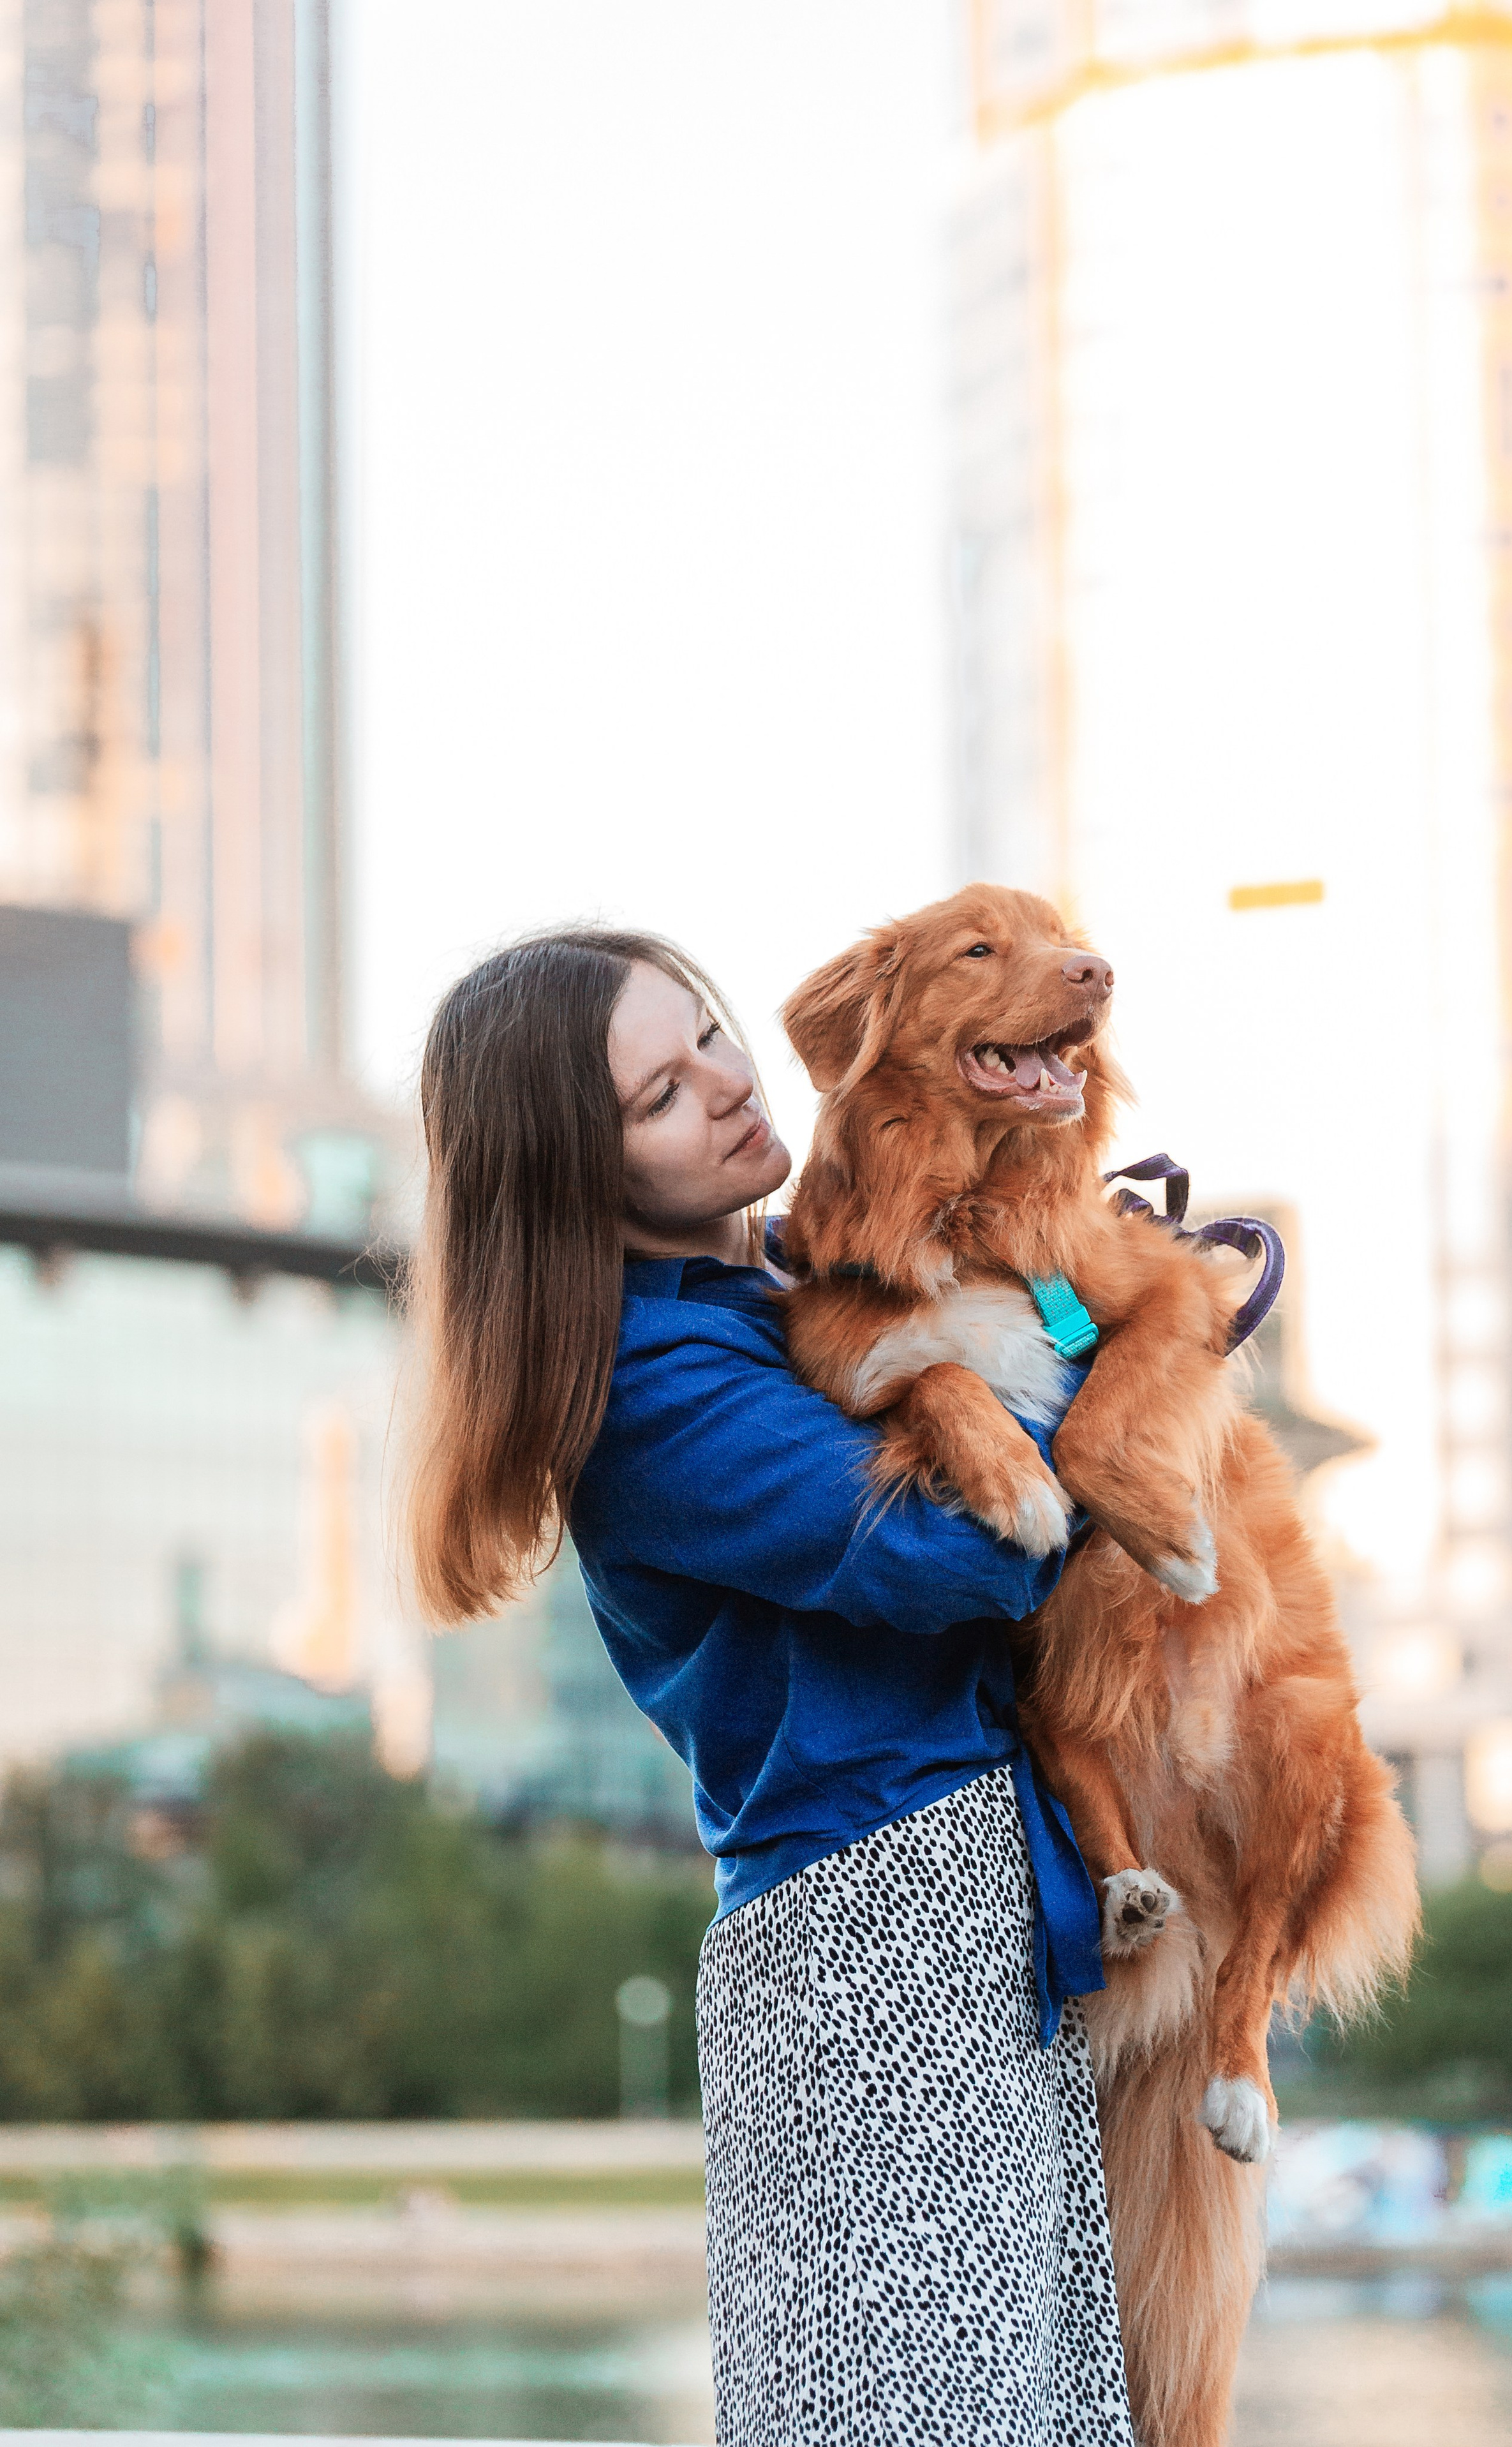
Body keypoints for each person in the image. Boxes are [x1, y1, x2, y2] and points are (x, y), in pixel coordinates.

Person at [403, 925, 1135, 2447]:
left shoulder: (794, 1282)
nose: (729, 1085)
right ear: (577, 1174)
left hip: (975, 1913)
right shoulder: (653, 1393)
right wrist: (1130, 1379)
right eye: (659, 1096)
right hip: (867, 1942)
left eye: (706, 1035)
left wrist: (1088, 1307)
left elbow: (1047, 1328)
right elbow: (966, 1559)